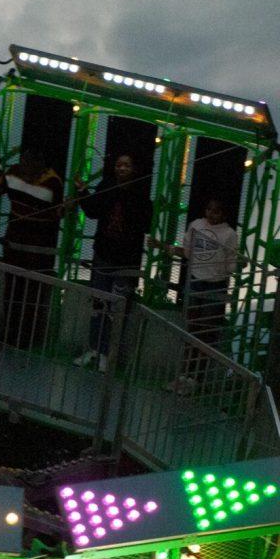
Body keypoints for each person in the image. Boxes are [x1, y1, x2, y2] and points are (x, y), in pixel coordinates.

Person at [72, 154, 153, 372]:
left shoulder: (139, 194)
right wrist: (81, 191)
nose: (121, 168)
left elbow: (145, 224)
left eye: (126, 165)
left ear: (133, 169)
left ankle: (109, 354)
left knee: (117, 309)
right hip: (104, 256)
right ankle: (94, 349)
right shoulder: (106, 186)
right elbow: (92, 211)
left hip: (126, 262)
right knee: (98, 305)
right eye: (118, 165)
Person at [153, 197, 242, 392]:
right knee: (191, 330)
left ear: (224, 214)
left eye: (216, 211)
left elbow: (231, 264)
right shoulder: (196, 225)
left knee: (205, 334)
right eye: (209, 209)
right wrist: (164, 247)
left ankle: (194, 379)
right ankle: (184, 375)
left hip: (214, 286)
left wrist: (238, 265)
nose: (211, 214)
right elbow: (187, 252)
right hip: (195, 283)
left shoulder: (229, 234)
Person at [0, 147, 64, 350]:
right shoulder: (14, 172)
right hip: (14, 246)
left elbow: (58, 213)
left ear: (40, 165)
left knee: (32, 294)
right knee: (11, 291)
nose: (25, 168)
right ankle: (8, 333)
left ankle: (28, 339)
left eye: (30, 164)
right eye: (23, 163)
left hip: (38, 251)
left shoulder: (53, 182)